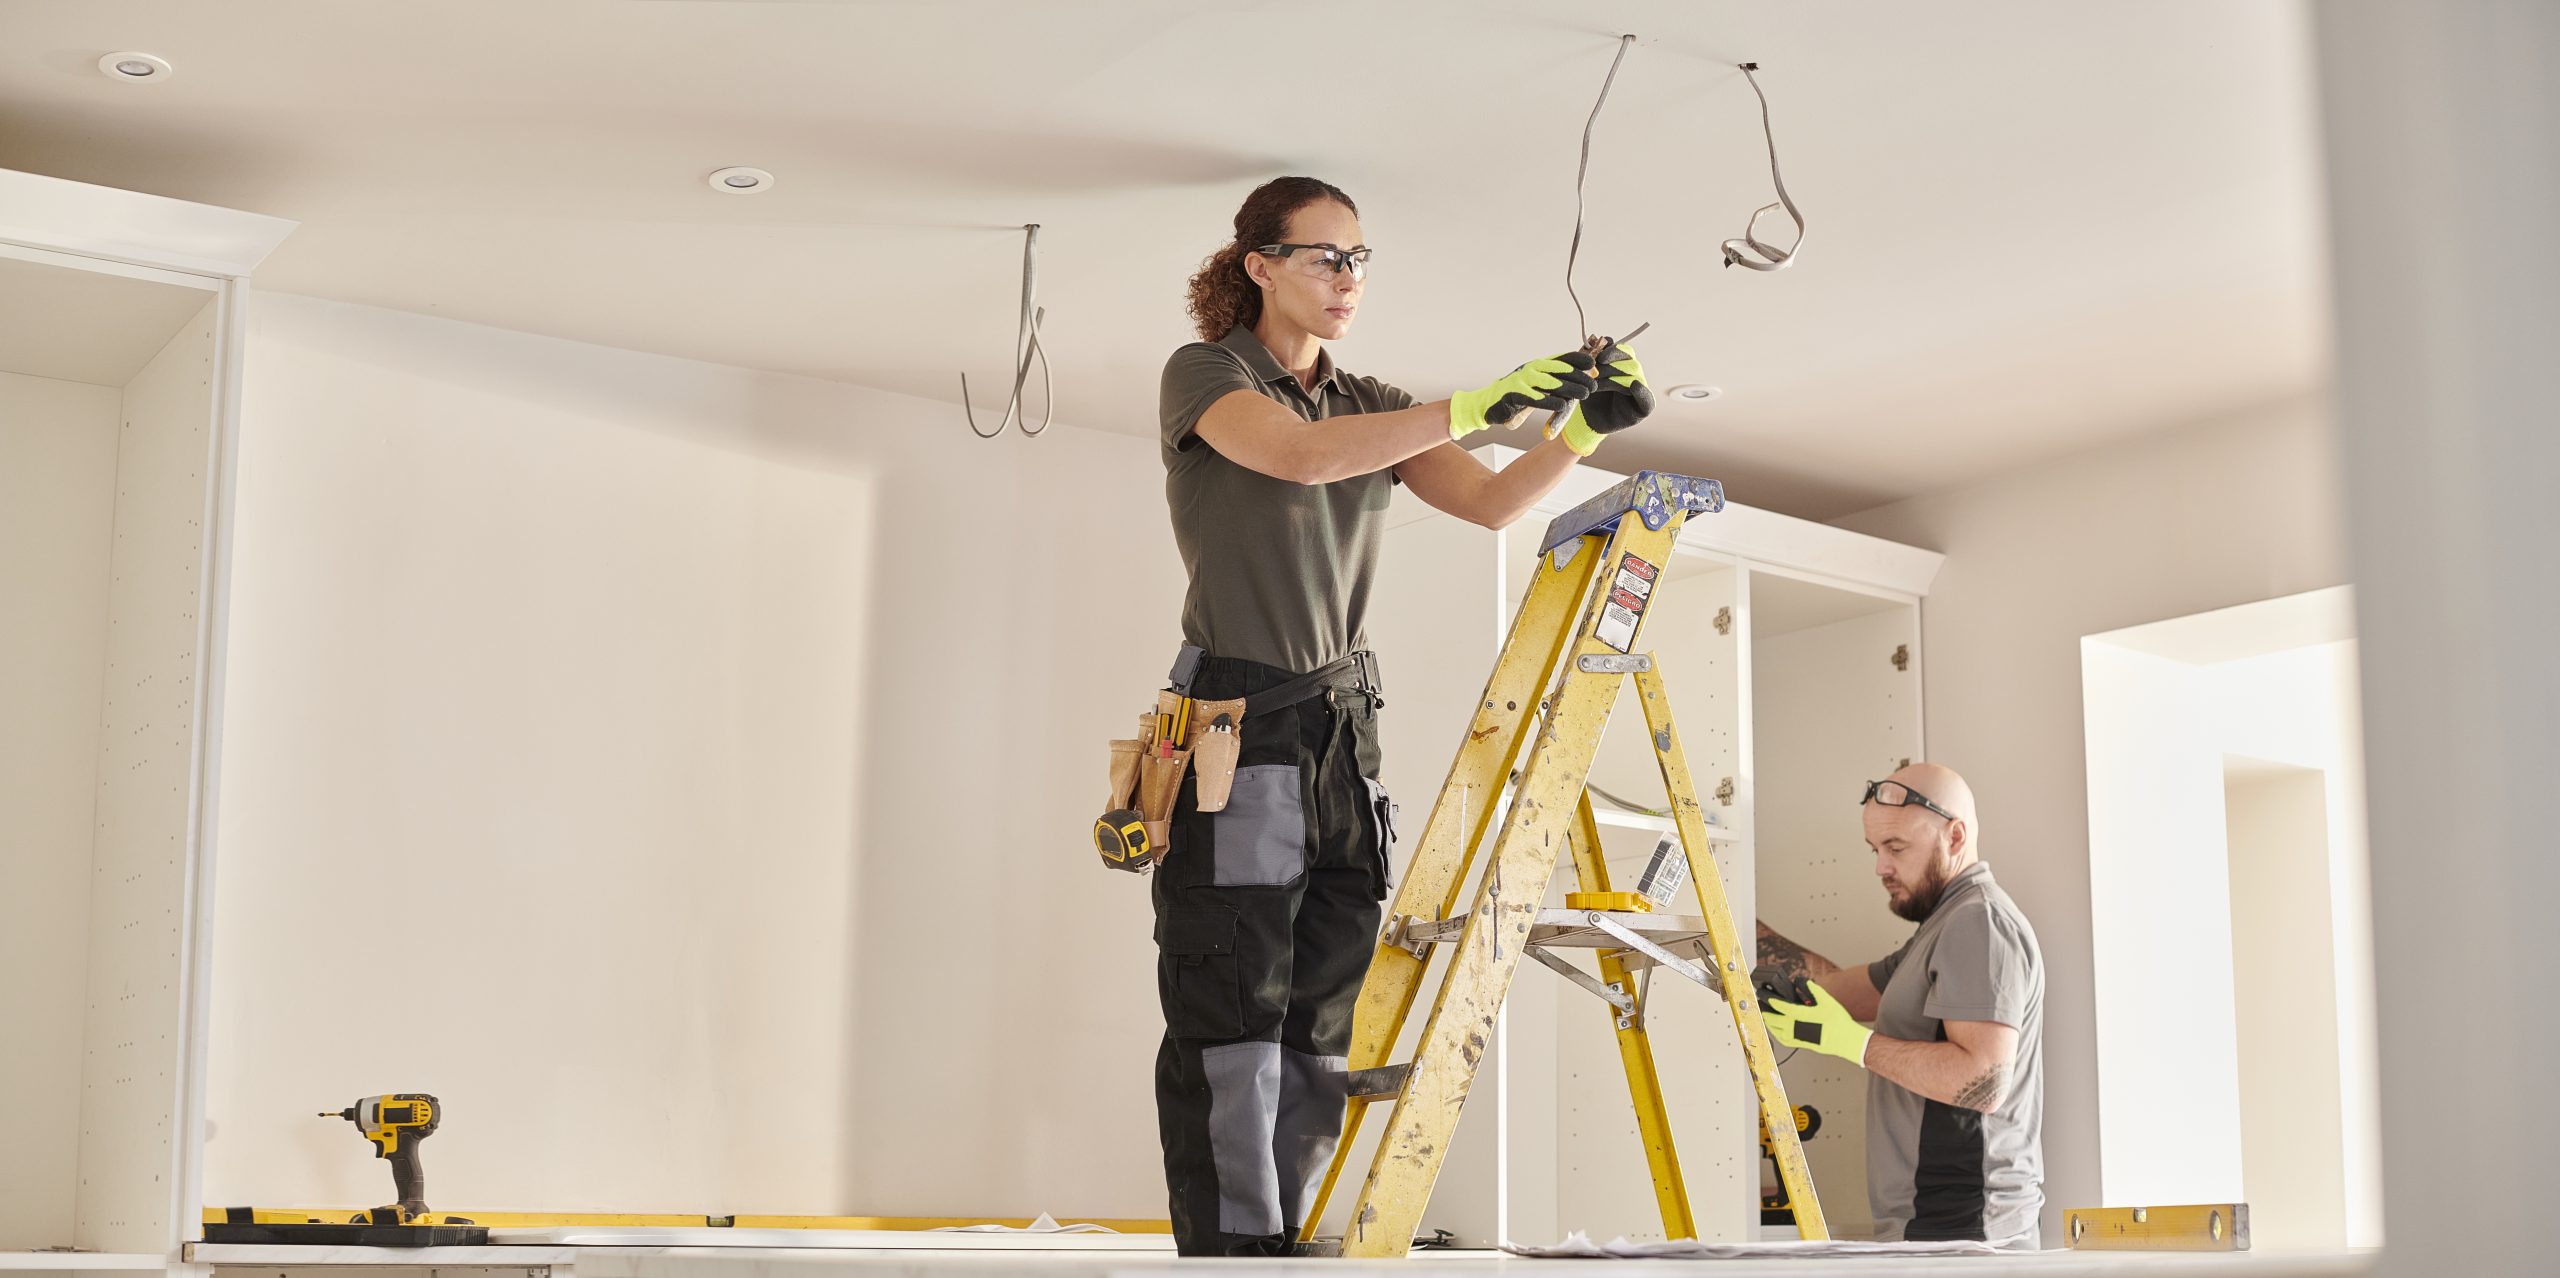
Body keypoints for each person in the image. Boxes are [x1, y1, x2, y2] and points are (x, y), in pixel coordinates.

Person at [1150, 175, 1655, 1255]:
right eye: (1327, 257)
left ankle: (1290, 1232)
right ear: (1260, 267)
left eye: (1360, 260)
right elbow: (1296, 458)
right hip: (1237, 729)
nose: (1348, 279)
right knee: (1232, 1009)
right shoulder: (1207, 374)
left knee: (1320, 1017)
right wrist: (1472, 405)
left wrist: (1579, 433)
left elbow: (1485, 504)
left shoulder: (1366, 397)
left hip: (1339, 731)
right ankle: (1235, 1252)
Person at [1754, 762, 2047, 1249]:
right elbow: (1834, 988)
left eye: (1895, 848)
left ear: (1955, 836)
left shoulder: (1978, 923)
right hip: (1937, 1225)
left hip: (1965, 1229)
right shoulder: (1942, 928)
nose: (1880, 867)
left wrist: (1853, 1044)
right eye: (1875, 849)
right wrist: (1730, 913)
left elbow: (1985, 1082)